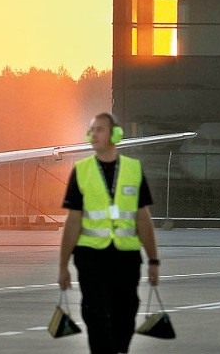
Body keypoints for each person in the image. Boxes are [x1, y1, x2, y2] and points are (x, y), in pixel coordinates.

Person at [58, 112, 160, 354]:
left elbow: (142, 218)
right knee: (95, 312)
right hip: (91, 255)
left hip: (125, 256)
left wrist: (154, 260)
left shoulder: (133, 170)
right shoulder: (81, 171)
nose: (93, 134)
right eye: (91, 130)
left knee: (126, 312)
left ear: (115, 134)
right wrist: (63, 265)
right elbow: (73, 222)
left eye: (100, 129)